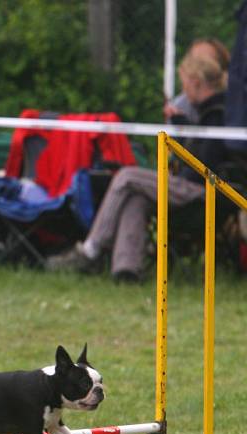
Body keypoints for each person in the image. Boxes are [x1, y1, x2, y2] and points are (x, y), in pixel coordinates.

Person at [46, 49, 230, 281]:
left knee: (126, 176)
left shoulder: (217, 114)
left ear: (195, 82)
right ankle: (126, 270)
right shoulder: (207, 113)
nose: (183, 91)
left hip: (204, 191)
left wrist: (182, 130)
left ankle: (90, 250)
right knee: (136, 198)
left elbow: (203, 165)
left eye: (184, 85)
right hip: (191, 184)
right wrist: (182, 127)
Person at [164, 37, 230, 124]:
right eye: (193, 59)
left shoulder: (233, 103)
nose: (198, 64)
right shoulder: (179, 105)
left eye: (205, 60)